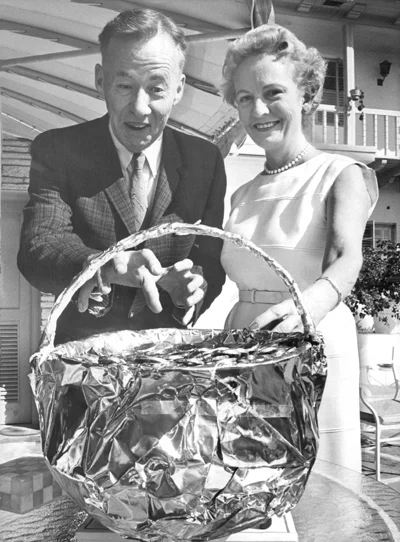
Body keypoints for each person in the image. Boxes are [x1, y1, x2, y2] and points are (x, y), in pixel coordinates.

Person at [220, 24, 378, 472]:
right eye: (245, 97)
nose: (259, 109)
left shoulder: (342, 173)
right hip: (245, 346)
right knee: (251, 477)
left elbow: (350, 258)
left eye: (273, 92)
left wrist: (309, 308)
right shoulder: (241, 193)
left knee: (317, 482)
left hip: (313, 341)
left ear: (307, 94)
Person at [17, 9, 226, 344]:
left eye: (156, 89)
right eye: (125, 85)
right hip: (82, 365)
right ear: (101, 80)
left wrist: (194, 288)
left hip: (168, 367)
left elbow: (211, 261)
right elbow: (38, 247)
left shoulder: (206, 161)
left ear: (178, 89)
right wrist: (102, 265)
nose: (140, 107)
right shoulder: (58, 150)